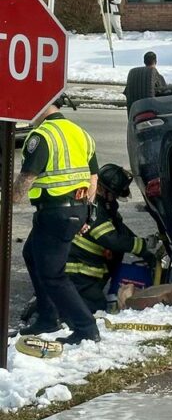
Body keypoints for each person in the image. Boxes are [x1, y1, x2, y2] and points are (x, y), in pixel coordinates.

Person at [12, 97, 101, 345]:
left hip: (55, 212)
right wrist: (87, 212)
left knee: (53, 274)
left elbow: (26, 179)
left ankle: (86, 328)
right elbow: (94, 177)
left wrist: (8, 199)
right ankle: (47, 317)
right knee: (32, 253)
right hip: (74, 210)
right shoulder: (81, 133)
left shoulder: (42, 136)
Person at [66, 164, 160, 313]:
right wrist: (142, 245)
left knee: (89, 304)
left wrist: (146, 253)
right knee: (95, 310)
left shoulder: (107, 205)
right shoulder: (94, 206)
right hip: (79, 269)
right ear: (104, 189)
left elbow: (120, 230)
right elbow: (111, 239)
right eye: (114, 194)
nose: (115, 198)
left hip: (89, 267)